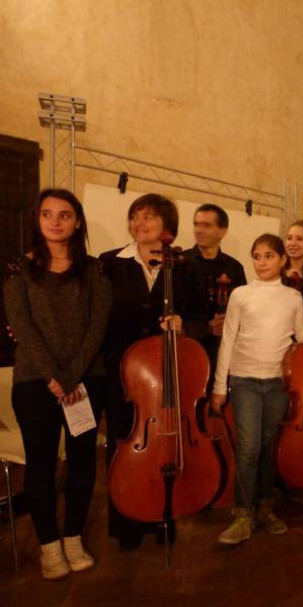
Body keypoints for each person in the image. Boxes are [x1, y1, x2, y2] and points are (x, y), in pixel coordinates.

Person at [4, 189, 111, 579]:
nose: (55, 221)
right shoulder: (19, 268)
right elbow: (23, 326)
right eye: (47, 214)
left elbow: (98, 327)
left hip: (87, 380)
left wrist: (70, 376)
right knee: (41, 463)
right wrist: (54, 376)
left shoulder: (96, 270)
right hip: (35, 381)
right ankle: (49, 545)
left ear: (77, 222)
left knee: (83, 461)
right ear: (37, 220)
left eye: (64, 214)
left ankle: (73, 537)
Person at [100, 193, 209, 551]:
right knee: (122, 446)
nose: (139, 223)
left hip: (169, 374)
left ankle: (165, 512)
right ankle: (125, 521)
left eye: (148, 217)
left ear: (167, 226)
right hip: (123, 375)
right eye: (134, 217)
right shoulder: (109, 263)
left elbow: (202, 319)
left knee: (166, 446)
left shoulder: (187, 267)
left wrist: (184, 326)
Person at [210, 234, 303, 545]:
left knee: (267, 444)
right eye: (256, 256)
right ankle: (242, 514)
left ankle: (264, 506)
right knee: (249, 446)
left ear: (282, 260)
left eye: (268, 256)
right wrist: (220, 385)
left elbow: (300, 336)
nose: (261, 262)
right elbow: (228, 340)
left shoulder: (292, 297)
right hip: (244, 379)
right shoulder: (240, 294)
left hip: (278, 381)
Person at [184, 203, 247, 390]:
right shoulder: (181, 262)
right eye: (196, 224)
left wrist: (229, 321)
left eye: (206, 225)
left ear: (222, 231)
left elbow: (244, 309)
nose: (199, 230)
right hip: (188, 346)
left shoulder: (234, 267)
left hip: (223, 349)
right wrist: (205, 327)